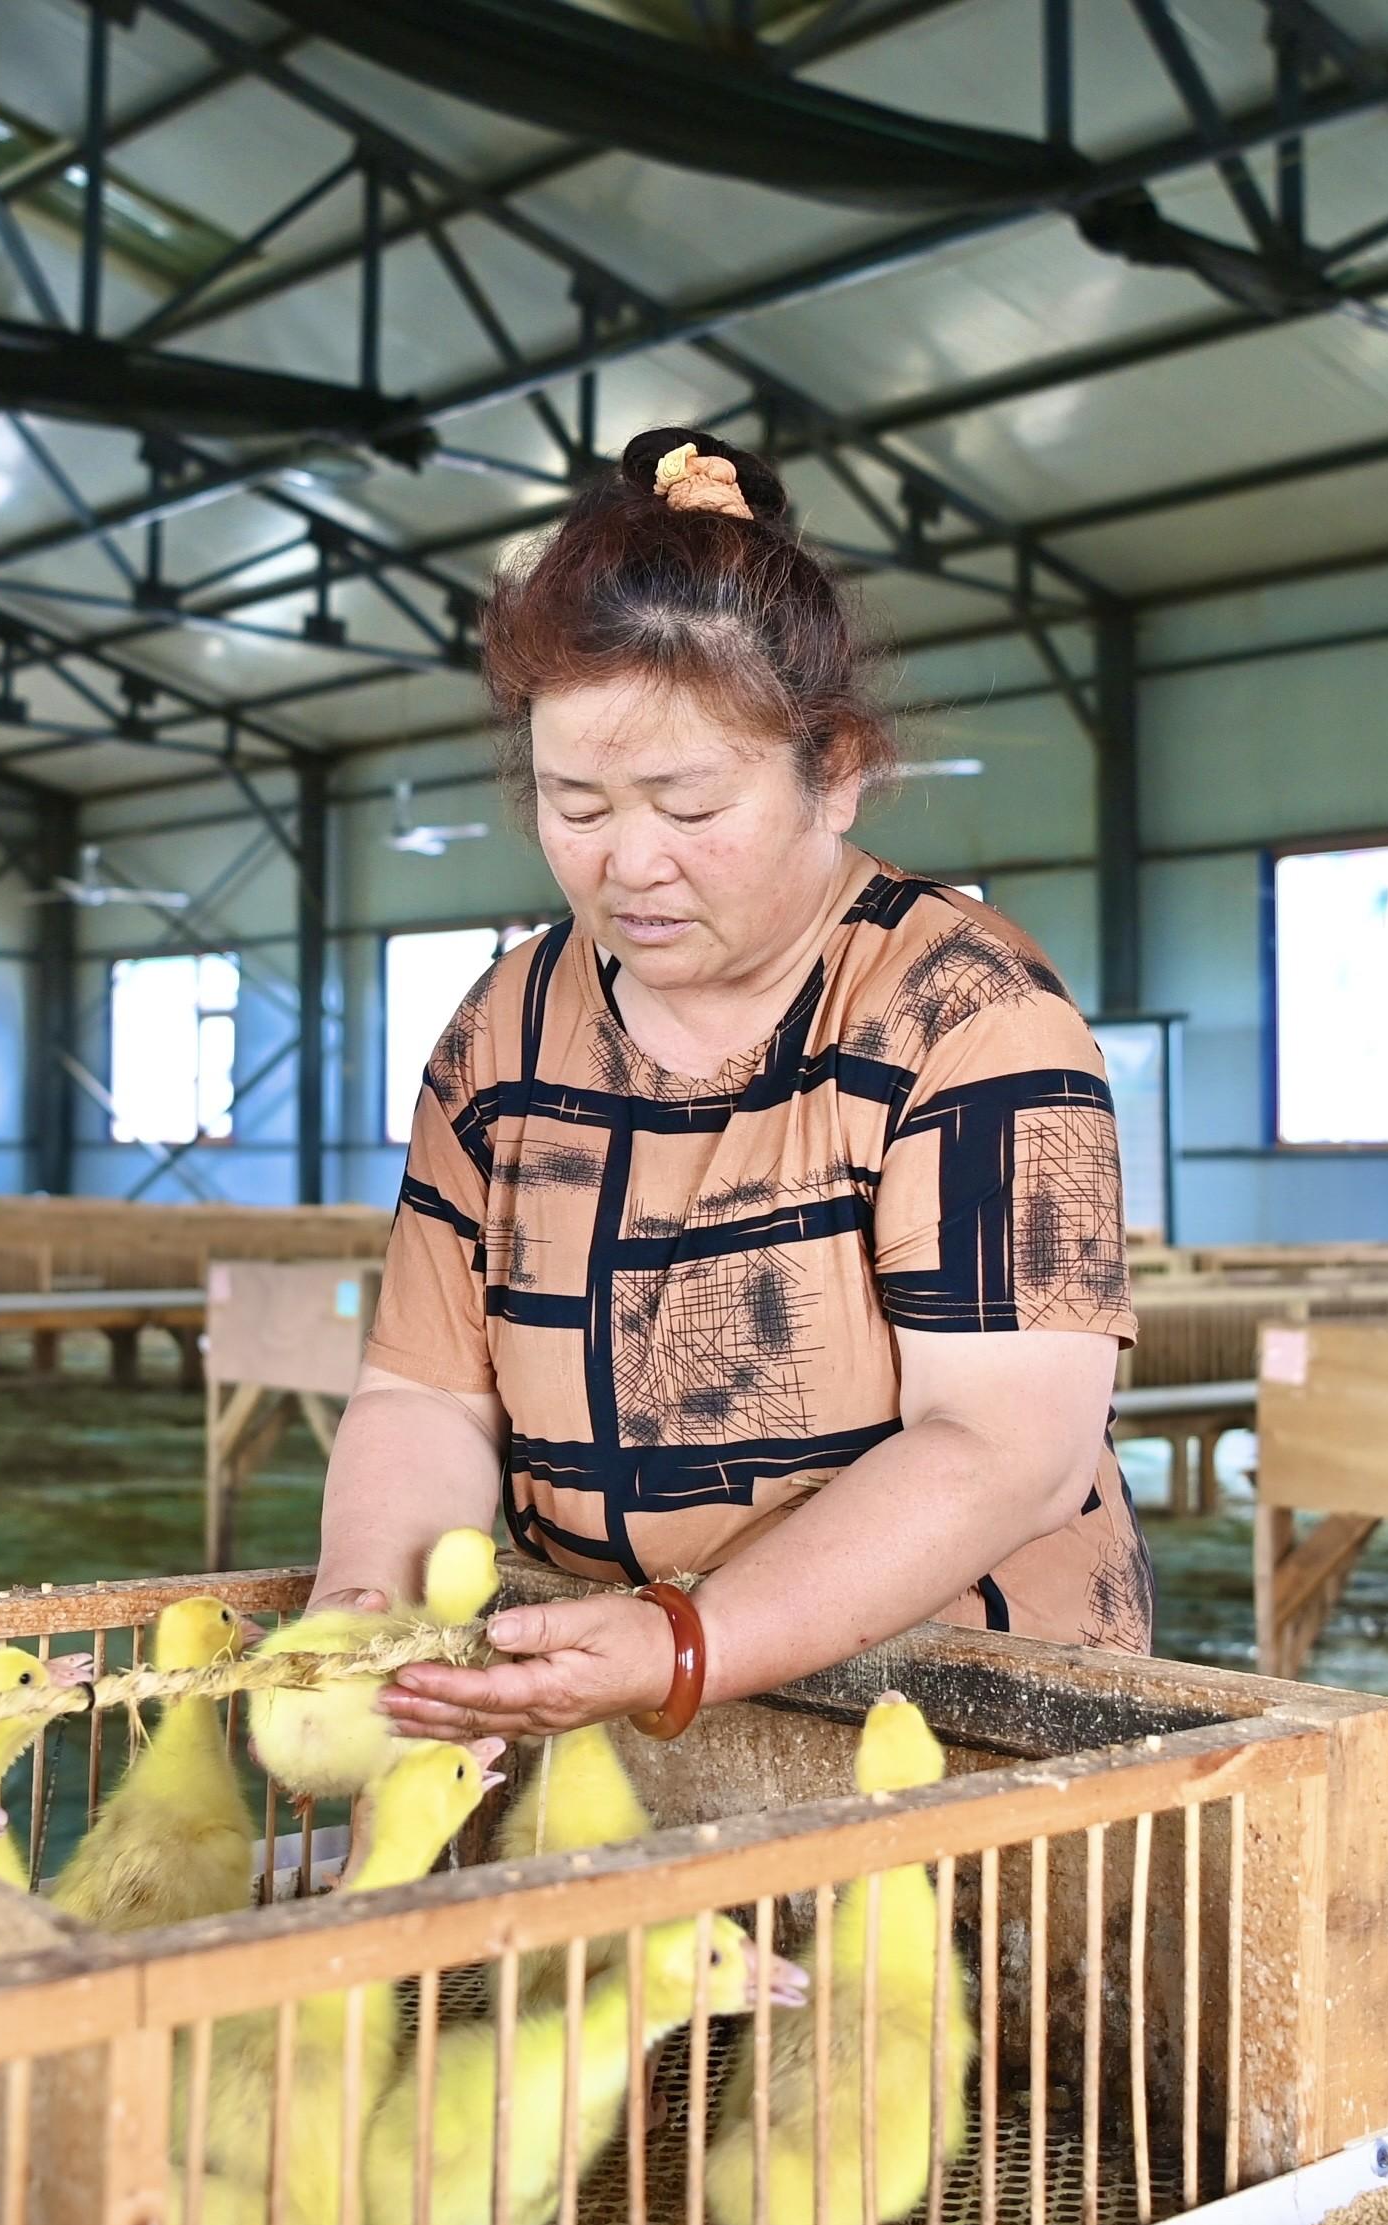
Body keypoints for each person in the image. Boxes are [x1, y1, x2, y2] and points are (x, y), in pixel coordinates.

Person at [342, 428, 1149, 1748]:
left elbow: (1007, 1442)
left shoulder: (963, 1007)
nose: (628, 864)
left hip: (954, 1720)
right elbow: (423, 1393)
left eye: (685, 802)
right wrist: (367, 1617)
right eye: (576, 805)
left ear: (833, 775)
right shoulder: (503, 1032)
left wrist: (688, 1637)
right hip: (608, 1702)